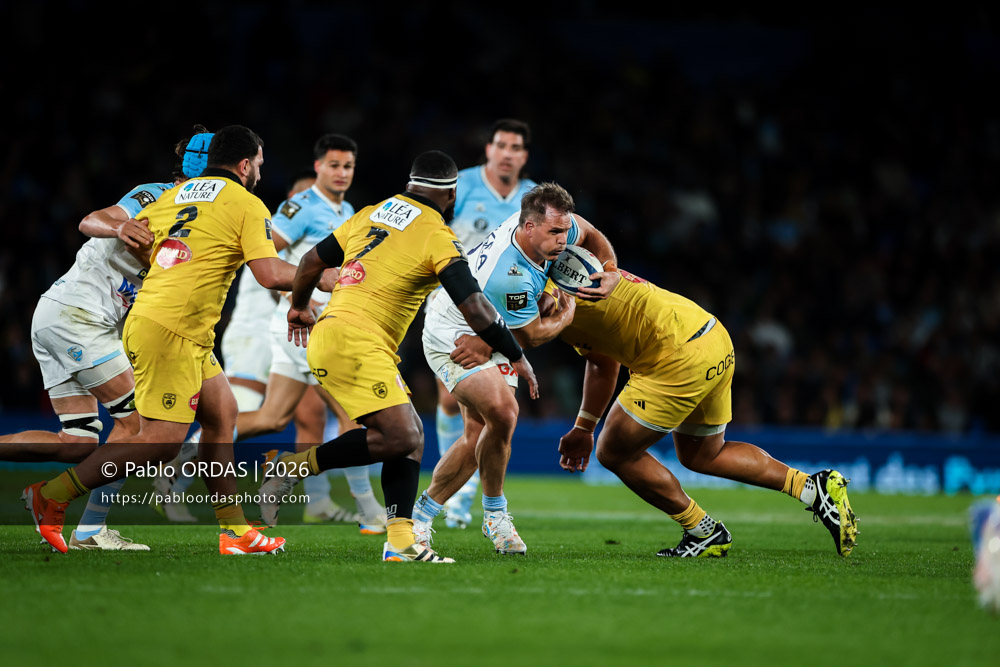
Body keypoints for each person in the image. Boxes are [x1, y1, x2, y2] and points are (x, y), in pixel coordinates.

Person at [23, 125, 331, 555]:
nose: (261, 171)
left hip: (176, 325)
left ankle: (234, 532)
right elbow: (269, 274)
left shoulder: (173, 196)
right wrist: (328, 275)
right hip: (170, 327)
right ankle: (54, 494)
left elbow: (144, 244)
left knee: (222, 417)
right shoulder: (246, 202)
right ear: (245, 164)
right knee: (160, 441)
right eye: (259, 163)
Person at [459, 267, 860, 558]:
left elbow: (533, 331)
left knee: (614, 452)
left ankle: (702, 531)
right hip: (712, 336)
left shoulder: (546, 295)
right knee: (703, 455)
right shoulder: (570, 266)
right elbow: (602, 361)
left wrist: (489, 343)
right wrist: (583, 425)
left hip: (676, 357)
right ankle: (814, 488)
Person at [264, 150, 540, 563]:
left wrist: (299, 305)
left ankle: (399, 542)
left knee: (407, 437)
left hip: (337, 333)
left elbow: (308, 261)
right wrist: (516, 354)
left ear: (411, 184)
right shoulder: (436, 234)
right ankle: (291, 468)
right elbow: (477, 309)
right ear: (451, 194)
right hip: (357, 340)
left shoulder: (372, 213)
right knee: (404, 436)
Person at [2, 126, 212, 551]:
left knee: (78, 442)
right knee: (140, 427)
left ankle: (74, 515)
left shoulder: (201, 220)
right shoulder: (155, 195)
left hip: (61, 316)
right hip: (79, 317)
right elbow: (91, 219)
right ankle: (88, 528)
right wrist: (119, 229)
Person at [413, 182, 618, 555]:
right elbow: (533, 336)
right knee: (505, 412)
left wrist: (610, 269)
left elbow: (590, 233)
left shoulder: (551, 225)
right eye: (555, 233)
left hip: (491, 324)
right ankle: (495, 514)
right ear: (528, 228)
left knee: (478, 436)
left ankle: (423, 517)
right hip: (454, 330)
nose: (563, 241)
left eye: (563, 230)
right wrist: (566, 309)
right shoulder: (509, 275)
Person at [230, 133, 384, 532]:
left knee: (272, 417)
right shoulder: (301, 206)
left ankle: (190, 448)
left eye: (348, 166)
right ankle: (369, 512)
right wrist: (298, 296)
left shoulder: (348, 209)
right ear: (318, 167)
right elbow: (265, 250)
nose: (341, 173)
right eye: (334, 165)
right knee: (354, 410)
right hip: (304, 327)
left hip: (302, 331)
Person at [149, 166, 316, 523]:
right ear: (292, 202)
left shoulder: (298, 237)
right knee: (236, 412)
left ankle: (182, 473)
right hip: (252, 331)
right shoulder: (266, 229)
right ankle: (178, 469)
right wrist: (298, 299)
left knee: (273, 418)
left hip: (273, 332)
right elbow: (272, 279)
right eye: (304, 196)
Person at [434, 119, 538, 528]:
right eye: (501, 144)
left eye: (516, 146)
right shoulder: (462, 185)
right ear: (489, 149)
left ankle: (463, 496)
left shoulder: (532, 198)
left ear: (524, 156)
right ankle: (460, 496)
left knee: (488, 407)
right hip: (452, 300)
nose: (508, 152)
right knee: (453, 400)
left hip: (500, 309)